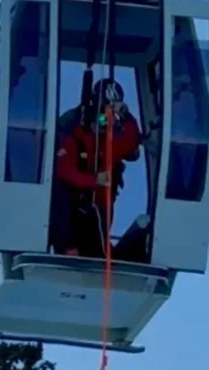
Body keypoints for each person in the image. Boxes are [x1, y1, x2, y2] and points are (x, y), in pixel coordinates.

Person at [50, 78, 142, 258]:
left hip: (99, 210)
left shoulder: (111, 142)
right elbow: (63, 171)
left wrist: (126, 114)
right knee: (61, 196)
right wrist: (92, 181)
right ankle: (69, 248)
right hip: (75, 210)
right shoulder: (75, 136)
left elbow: (131, 141)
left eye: (109, 116)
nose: (104, 121)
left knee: (100, 245)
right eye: (102, 115)